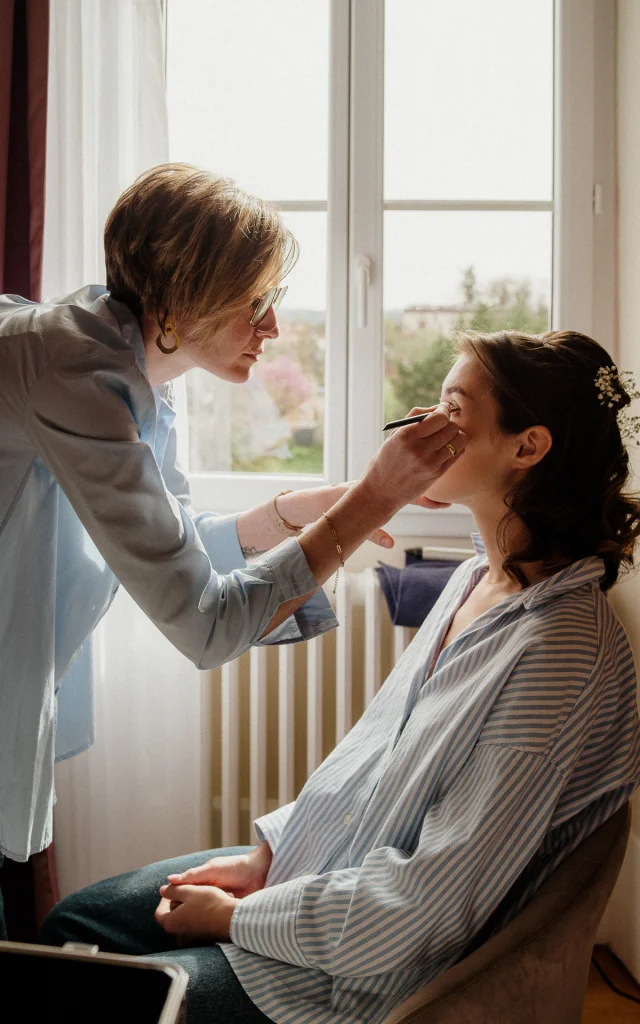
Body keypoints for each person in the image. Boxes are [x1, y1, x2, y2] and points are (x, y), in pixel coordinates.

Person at [42, 329, 640, 1024]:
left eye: (451, 408)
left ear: (527, 447)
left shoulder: (558, 651)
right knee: (74, 922)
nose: (419, 425)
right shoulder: (479, 577)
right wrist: (267, 857)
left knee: (80, 987)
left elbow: (428, 905)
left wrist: (236, 919)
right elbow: (372, 765)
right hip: (323, 879)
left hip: (347, 983)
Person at [0, 165, 462, 906]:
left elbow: (180, 543)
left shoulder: (138, 376)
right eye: (258, 302)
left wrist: (311, 507)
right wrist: (370, 501)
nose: (273, 326)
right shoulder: (74, 368)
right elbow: (204, 623)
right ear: (184, 295)